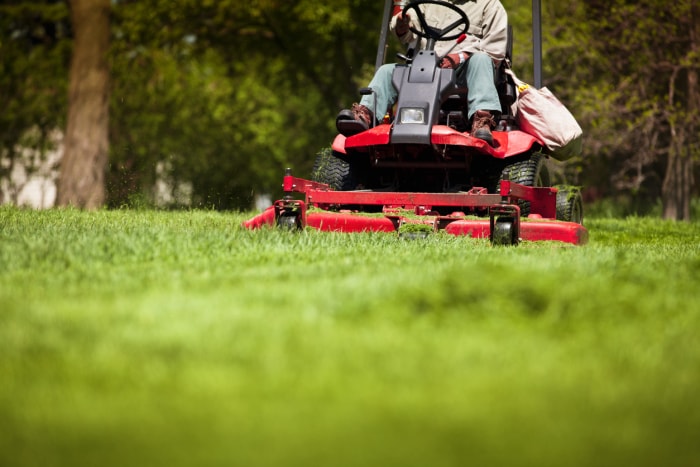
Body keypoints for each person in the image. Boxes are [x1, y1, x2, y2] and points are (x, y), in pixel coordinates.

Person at [336, 0, 508, 146]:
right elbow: (407, 32)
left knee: (481, 60)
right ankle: (365, 115)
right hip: (427, 65)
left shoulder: (490, 4)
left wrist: (461, 57)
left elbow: (495, 51)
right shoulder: (428, 3)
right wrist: (403, 23)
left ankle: (482, 121)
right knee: (388, 70)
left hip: (465, 71)